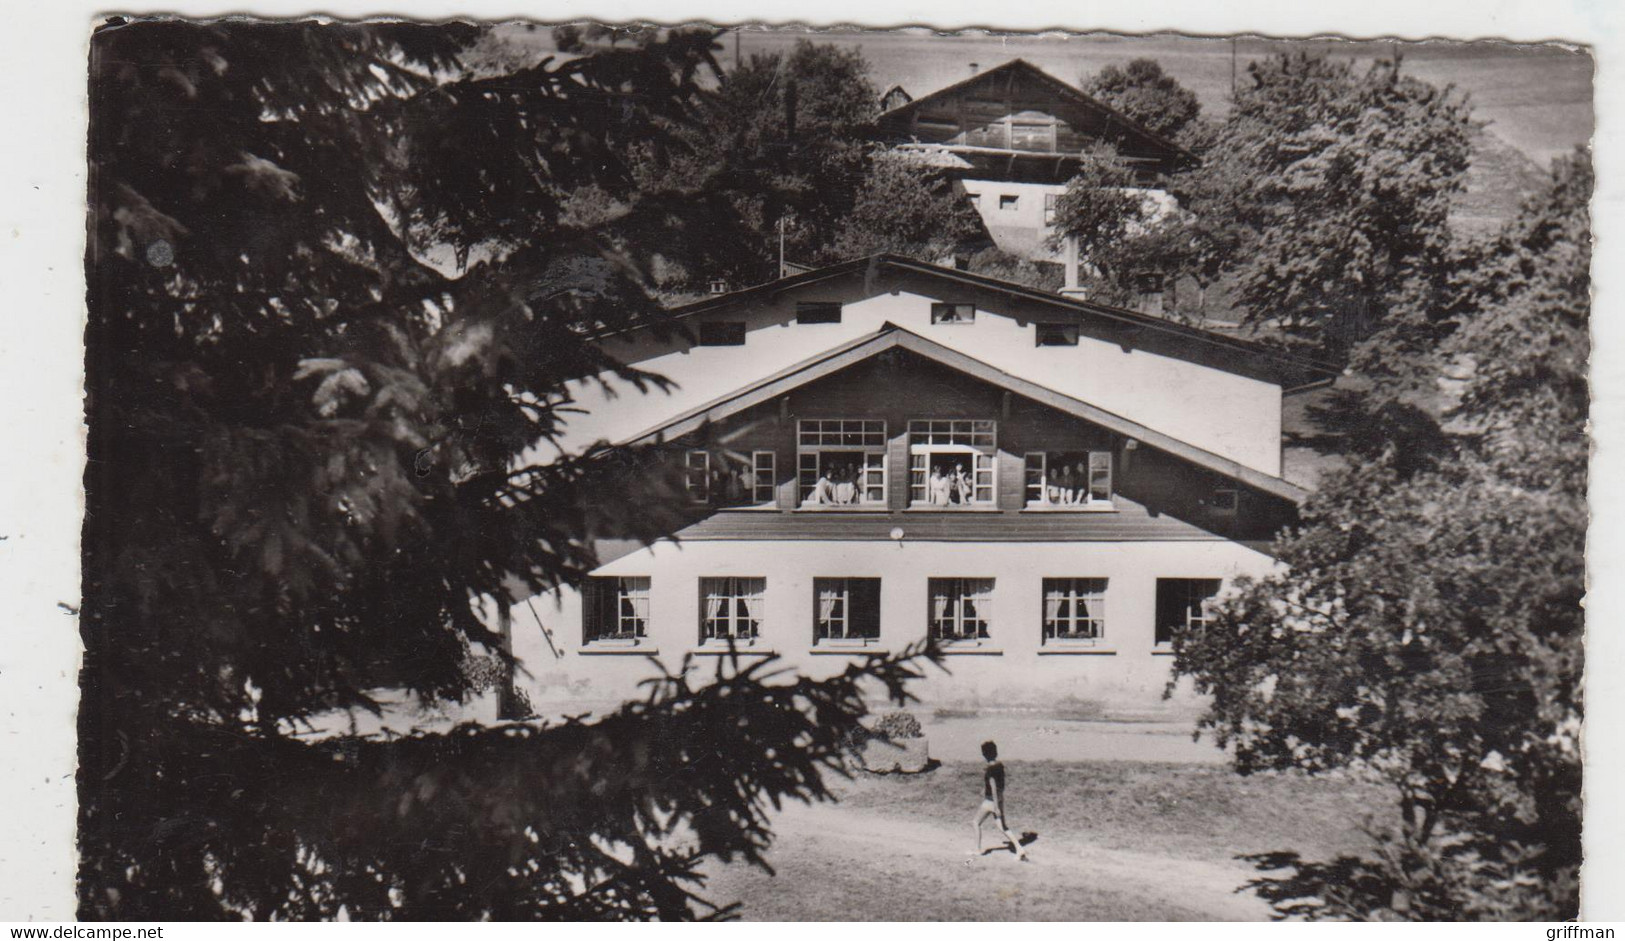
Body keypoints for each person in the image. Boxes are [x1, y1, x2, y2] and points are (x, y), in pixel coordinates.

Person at [973, 740, 1028, 860]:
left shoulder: (989, 770)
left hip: (991, 801)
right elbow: (999, 786)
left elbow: (993, 788)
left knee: (976, 822)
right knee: (1002, 827)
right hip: (999, 799)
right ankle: (1019, 849)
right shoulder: (1000, 765)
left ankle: (978, 849)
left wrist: (996, 807)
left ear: (984, 754)